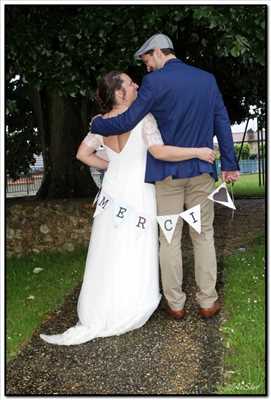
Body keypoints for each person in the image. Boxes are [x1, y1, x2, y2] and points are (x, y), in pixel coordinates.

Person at [40, 70, 216, 345]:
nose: (137, 85)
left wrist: (111, 165)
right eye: (131, 83)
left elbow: (82, 154)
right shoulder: (144, 118)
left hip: (112, 192)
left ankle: (105, 307)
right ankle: (132, 305)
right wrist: (197, 151)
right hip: (139, 191)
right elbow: (159, 152)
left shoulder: (99, 122)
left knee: (109, 248)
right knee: (136, 247)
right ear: (120, 93)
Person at [91, 33, 240, 320]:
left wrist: (97, 122)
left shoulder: (155, 83)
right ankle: (208, 301)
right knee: (203, 235)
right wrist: (230, 165)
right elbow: (221, 120)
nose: (145, 66)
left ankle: (176, 304)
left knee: (169, 239)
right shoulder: (206, 79)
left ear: (158, 52)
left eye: (146, 58)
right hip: (201, 171)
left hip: (166, 174)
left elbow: (127, 120)